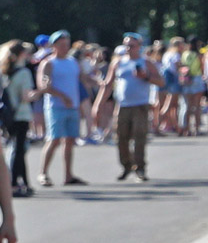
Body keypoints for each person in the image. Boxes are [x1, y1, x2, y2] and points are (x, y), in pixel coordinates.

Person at [102, 33, 163, 182]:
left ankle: (140, 168)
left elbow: (161, 82)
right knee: (121, 138)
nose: (128, 48)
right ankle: (127, 165)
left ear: (139, 47)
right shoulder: (118, 63)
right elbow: (108, 84)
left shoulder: (146, 62)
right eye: (126, 45)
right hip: (123, 105)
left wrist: (146, 77)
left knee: (139, 137)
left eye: (132, 46)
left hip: (140, 105)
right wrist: (98, 104)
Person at [38, 31, 94, 187]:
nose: (65, 47)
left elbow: (83, 78)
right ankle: (43, 173)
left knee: (69, 140)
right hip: (56, 107)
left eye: (67, 45)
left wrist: (98, 82)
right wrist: (62, 96)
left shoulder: (72, 62)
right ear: (54, 46)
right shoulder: (49, 63)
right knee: (54, 139)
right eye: (61, 45)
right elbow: (43, 86)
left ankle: (68, 175)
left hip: (73, 107)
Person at [5, 42, 37, 197]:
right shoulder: (24, 73)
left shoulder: (5, 72)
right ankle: (13, 184)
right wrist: (39, 92)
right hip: (21, 114)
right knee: (19, 150)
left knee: (18, 149)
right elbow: (26, 96)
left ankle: (24, 182)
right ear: (22, 54)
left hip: (8, 115)